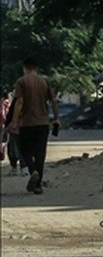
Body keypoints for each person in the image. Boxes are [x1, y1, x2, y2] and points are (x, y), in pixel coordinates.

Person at [7, 57, 59, 194]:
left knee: (25, 151)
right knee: (40, 153)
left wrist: (13, 121)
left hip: (27, 124)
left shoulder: (21, 81)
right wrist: (57, 118)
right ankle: (38, 186)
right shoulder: (44, 81)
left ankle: (33, 170)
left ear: (25, 68)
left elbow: (19, 102)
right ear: (35, 67)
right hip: (43, 124)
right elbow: (53, 100)